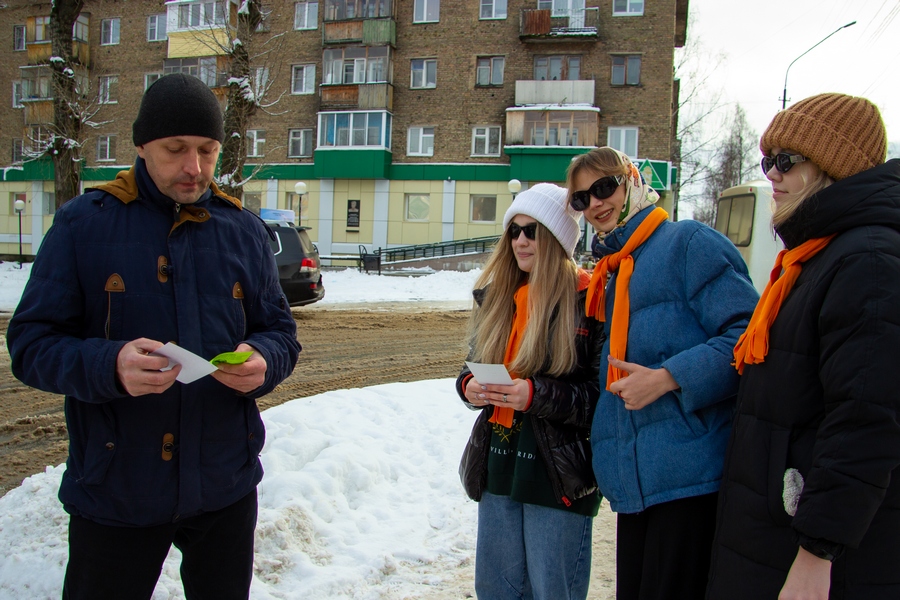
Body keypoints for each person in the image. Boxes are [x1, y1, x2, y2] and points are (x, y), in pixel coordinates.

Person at [6, 73, 301, 600]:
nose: (195, 167)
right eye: (175, 149)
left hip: (225, 484)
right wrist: (110, 365)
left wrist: (264, 359)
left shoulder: (242, 230)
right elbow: (31, 345)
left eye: (207, 150)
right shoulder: (83, 225)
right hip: (118, 488)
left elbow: (280, 330)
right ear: (142, 146)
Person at [706, 93, 900, 599]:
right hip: (776, 531)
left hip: (811, 552)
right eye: (768, 160)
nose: (772, 173)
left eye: (787, 161)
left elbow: (865, 422)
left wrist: (817, 554)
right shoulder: (816, 256)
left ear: (833, 167)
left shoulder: (868, 261)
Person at [566, 147, 759, 599]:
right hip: (636, 482)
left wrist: (668, 376)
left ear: (632, 182)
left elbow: (749, 336)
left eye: (604, 187)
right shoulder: (613, 269)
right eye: (581, 198)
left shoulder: (688, 242)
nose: (595, 203)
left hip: (690, 477)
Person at [455, 183, 604, 599]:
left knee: (551, 590)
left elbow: (601, 398)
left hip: (556, 475)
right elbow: (469, 366)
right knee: (496, 591)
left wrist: (535, 396)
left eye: (532, 231)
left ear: (557, 238)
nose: (520, 241)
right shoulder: (499, 297)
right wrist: (470, 387)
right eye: (514, 231)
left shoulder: (591, 299)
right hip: (499, 467)